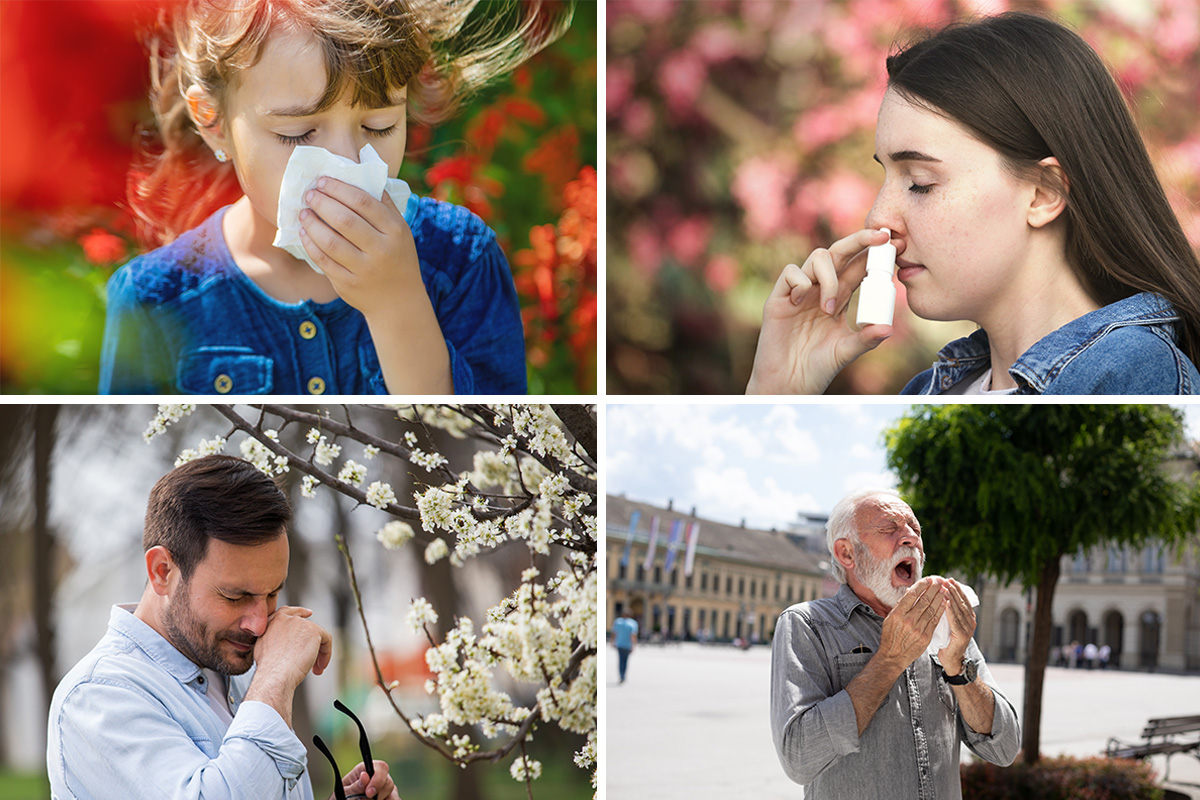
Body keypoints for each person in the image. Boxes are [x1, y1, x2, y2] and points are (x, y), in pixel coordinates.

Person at [100, 0, 571, 395]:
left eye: (378, 126)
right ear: (213, 121)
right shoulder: (152, 301)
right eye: (298, 133)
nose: (346, 162)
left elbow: (479, 449)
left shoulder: (462, 259)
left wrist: (397, 303)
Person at [747, 12, 1200, 395]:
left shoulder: (1134, 377)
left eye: (920, 182)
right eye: (885, 175)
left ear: (1045, 193)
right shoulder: (928, 392)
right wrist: (780, 389)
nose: (878, 218)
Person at [48, 455, 398, 800]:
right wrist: (274, 680)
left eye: (272, 593)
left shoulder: (240, 672)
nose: (258, 623)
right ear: (162, 571)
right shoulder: (98, 696)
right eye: (235, 596)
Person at [770, 488, 1019, 798]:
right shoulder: (807, 624)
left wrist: (958, 667)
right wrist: (890, 659)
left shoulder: (944, 624)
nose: (911, 538)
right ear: (847, 553)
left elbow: (1005, 748)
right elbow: (799, 758)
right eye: (889, 528)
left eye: (915, 529)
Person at [612, 609, 638, 684]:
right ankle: (623, 676)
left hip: (619, 644)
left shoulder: (618, 622)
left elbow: (614, 633)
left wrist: (612, 642)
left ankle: (621, 675)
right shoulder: (633, 623)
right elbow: (633, 635)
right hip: (627, 645)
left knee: (620, 660)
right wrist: (634, 645)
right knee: (625, 661)